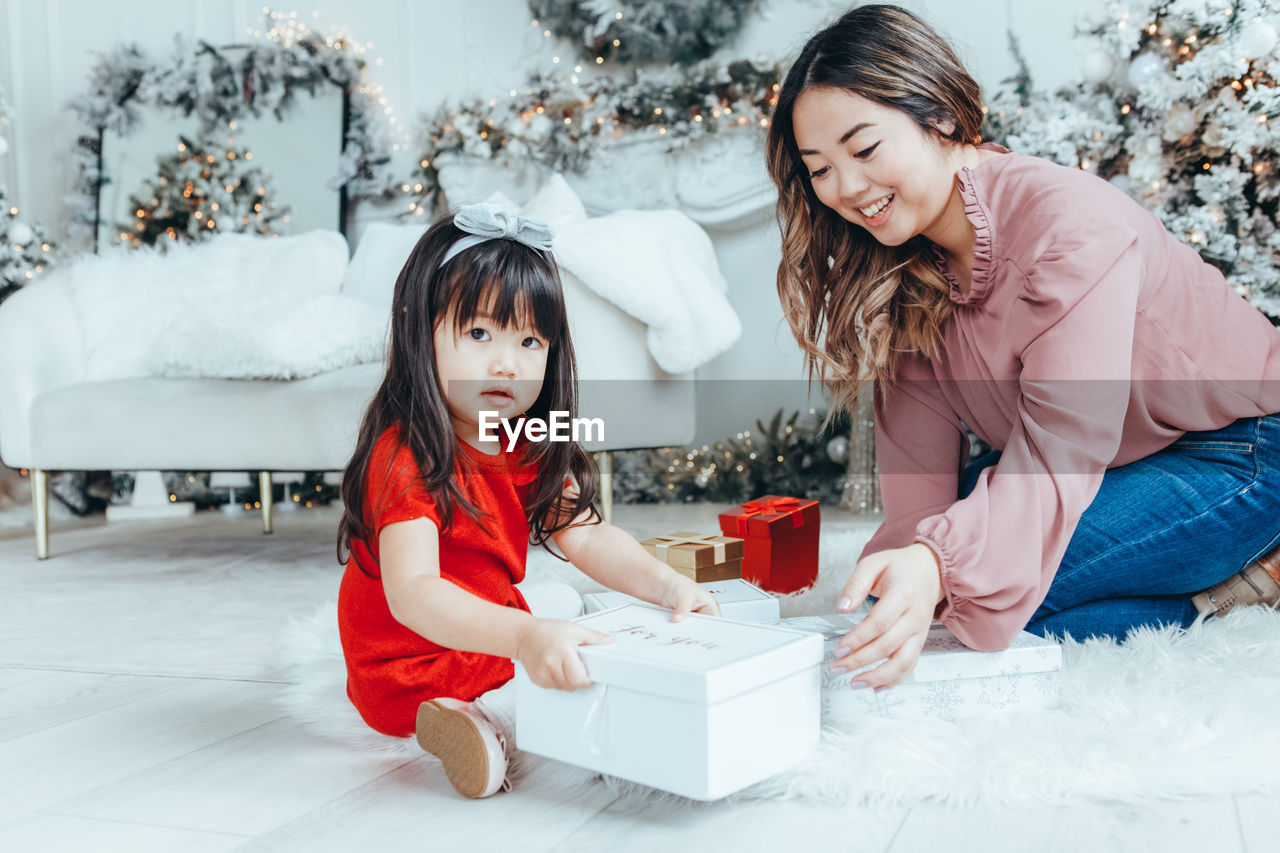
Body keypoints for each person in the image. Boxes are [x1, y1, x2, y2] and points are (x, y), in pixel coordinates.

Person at [765, 4, 1280, 691]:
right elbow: (917, 495)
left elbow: (1064, 446)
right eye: (820, 170)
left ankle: (1256, 572)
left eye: (863, 149)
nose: (848, 188)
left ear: (941, 118)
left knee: (992, 590)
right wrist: (907, 574)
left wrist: (941, 565)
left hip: (1242, 451)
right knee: (956, 581)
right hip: (1122, 462)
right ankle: (1223, 589)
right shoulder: (902, 268)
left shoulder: (1066, 223)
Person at [336, 203, 720, 799]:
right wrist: (523, 639)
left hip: (468, 626)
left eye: (530, 339)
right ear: (420, 330)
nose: (505, 362)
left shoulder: (524, 438)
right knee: (553, 668)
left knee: (567, 598)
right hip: (408, 663)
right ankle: (479, 725)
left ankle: (499, 688)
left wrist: (665, 585)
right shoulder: (406, 454)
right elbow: (414, 595)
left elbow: (588, 536)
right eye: (479, 333)